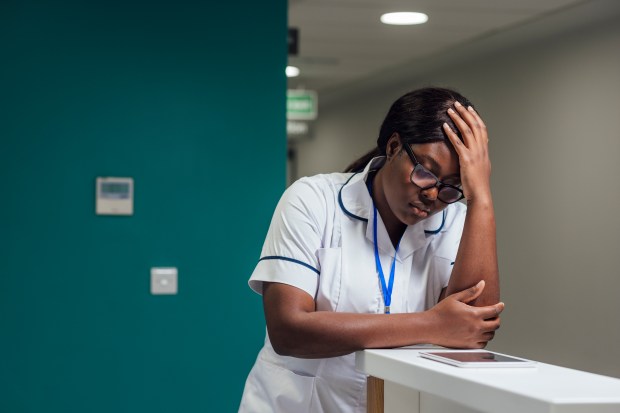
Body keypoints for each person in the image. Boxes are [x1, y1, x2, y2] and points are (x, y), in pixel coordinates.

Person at [238, 87, 503, 413]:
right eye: (425, 173)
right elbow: (289, 330)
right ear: (393, 147)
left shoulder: (456, 219)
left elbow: (474, 329)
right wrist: (432, 324)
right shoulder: (312, 200)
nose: (433, 195)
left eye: (452, 186)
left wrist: (481, 198)